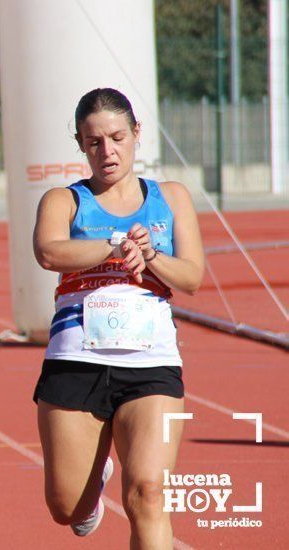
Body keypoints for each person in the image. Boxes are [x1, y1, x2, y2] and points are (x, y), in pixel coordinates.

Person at [32, 88, 204, 547]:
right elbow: (49, 252)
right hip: (76, 361)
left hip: (151, 365)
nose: (107, 151)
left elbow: (192, 277)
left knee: (148, 493)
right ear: (80, 144)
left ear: (136, 134)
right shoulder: (64, 200)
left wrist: (150, 255)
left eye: (117, 137)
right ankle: (93, 476)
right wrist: (113, 245)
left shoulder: (170, 197)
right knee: (65, 507)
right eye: (94, 142)